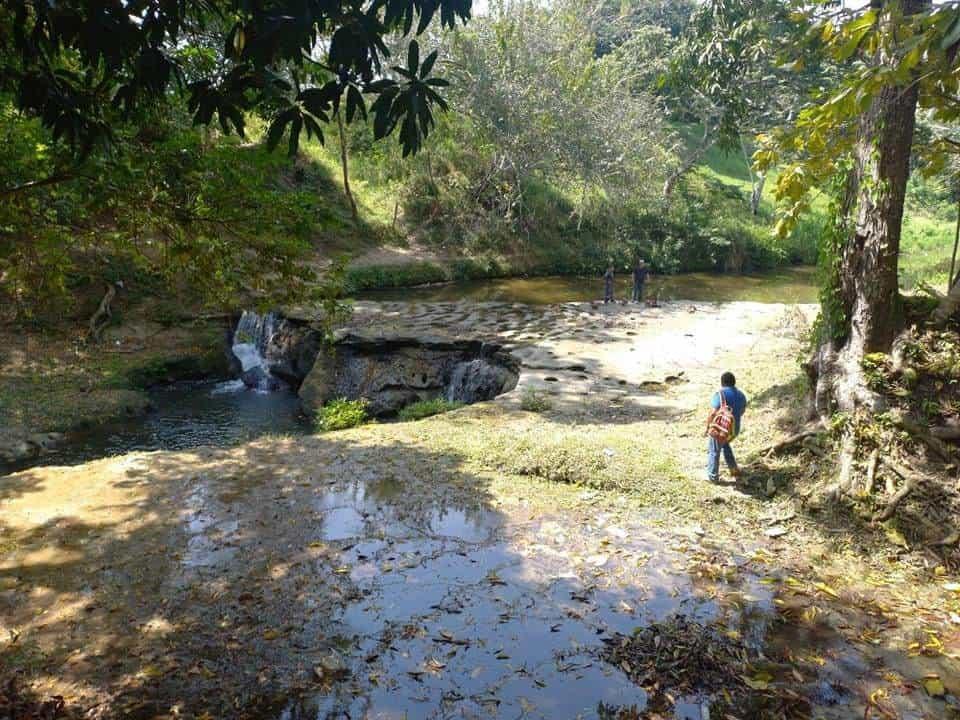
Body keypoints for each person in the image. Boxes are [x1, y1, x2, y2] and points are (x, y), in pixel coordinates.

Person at [705, 371, 748, 483]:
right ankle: (733, 469)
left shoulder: (720, 394)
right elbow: (742, 411)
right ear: (734, 382)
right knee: (724, 444)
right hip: (734, 430)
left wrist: (708, 426)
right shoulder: (741, 395)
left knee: (714, 449)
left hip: (722, 429)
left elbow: (713, 413)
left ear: (722, 383)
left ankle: (712, 476)